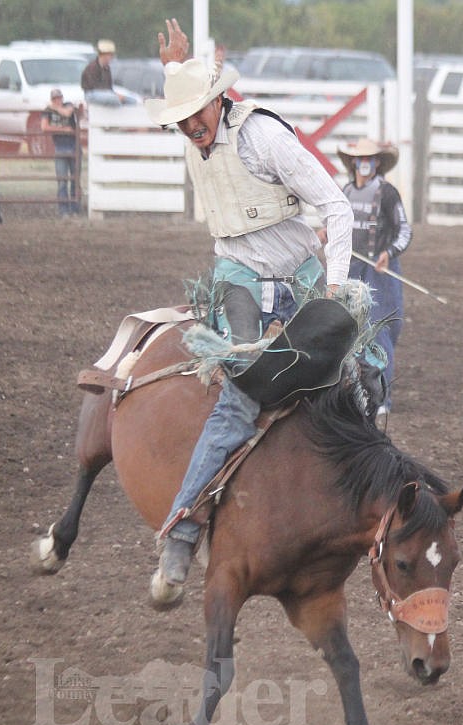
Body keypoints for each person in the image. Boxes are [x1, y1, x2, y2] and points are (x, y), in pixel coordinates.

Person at [143, 18, 353, 606]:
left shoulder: (264, 138)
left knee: (353, 377)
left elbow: (336, 208)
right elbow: (186, 100)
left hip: (305, 276)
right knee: (243, 388)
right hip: (237, 276)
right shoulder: (197, 125)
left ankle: (358, 504)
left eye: (196, 114)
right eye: (181, 121)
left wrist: (333, 290)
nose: (190, 128)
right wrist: (175, 70)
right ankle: (183, 533)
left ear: (218, 103)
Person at [337, 137, 412, 424]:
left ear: (377, 163)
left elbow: (404, 230)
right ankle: (355, 390)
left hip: (379, 271)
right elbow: (340, 224)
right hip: (351, 267)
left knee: (380, 331)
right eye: (361, 158)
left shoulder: (387, 193)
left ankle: (380, 397)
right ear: (354, 162)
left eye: (371, 158)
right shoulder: (345, 191)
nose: (365, 163)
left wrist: (388, 253)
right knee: (349, 332)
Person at [40, 89, 81, 217]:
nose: (58, 100)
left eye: (59, 98)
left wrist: (54, 108)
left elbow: (68, 113)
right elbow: (44, 127)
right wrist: (63, 129)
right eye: (55, 99)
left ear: (62, 98)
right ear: (52, 99)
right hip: (60, 147)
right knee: (62, 181)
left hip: (74, 146)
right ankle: (64, 210)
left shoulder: (68, 105)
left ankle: (75, 209)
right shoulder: (47, 111)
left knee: (75, 179)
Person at [81, 39, 136, 105]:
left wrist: (117, 95)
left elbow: (109, 87)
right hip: (91, 94)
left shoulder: (107, 68)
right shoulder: (91, 67)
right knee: (114, 99)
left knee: (131, 100)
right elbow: (93, 87)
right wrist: (114, 95)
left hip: (106, 94)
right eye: (110, 55)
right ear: (104, 55)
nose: (112, 57)